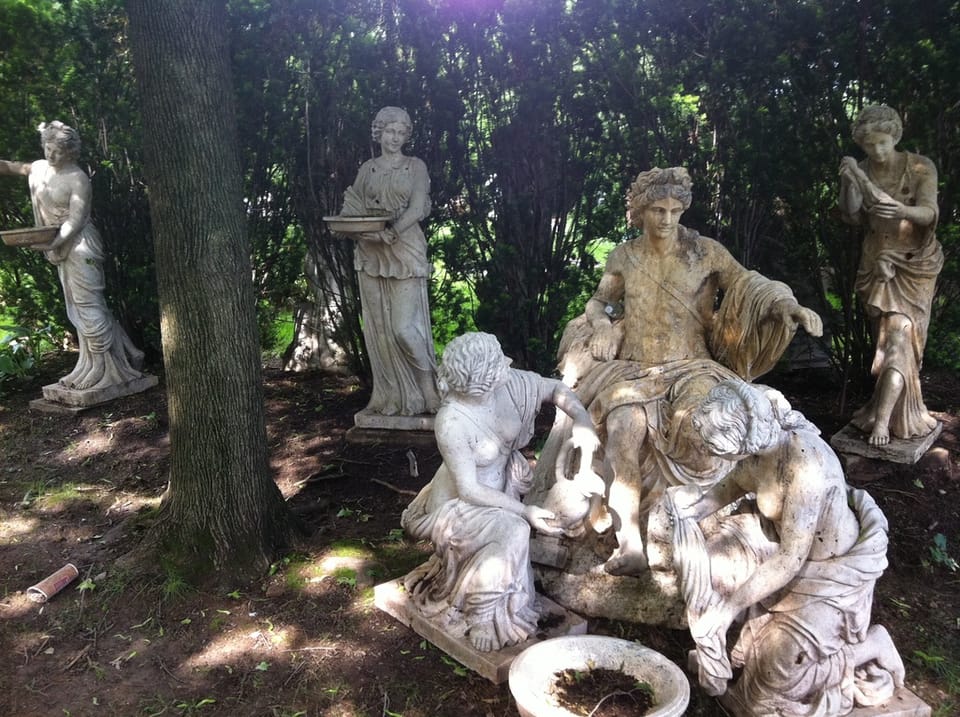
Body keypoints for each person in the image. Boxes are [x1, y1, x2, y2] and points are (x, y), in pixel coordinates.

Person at [536, 167, 822, 576]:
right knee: (621, 430)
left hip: (693, 368)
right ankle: (630, 544)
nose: (667, 219)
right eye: (658, 210)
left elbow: (749, 285)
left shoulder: (705, 252)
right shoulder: (624, 256)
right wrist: (602, 326)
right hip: (634, 370)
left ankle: (695, 520)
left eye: (675, 210)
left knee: (703, 427)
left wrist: (786, 307)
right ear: (641, 211)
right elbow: (599, 302)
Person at [661, 379, 905, 716]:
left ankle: (870, 646)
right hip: (781, 551)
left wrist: (728, 609)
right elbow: (728, 488)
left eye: (718, 449)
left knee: (774, 673)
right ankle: (733, 647)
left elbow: (791, 559)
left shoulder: (805, 467)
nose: (714, 456)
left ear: (742, 437)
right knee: (715, 564)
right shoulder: (758, 452)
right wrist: (691, 509)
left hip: (831, 577)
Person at [400, 332, 601, 652]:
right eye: (497, 365)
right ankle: (482, 613)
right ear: (480, 381)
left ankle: (501, 603)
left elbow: (555, 389)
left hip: (499, 489)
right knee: (516, 529)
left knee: (518, 526)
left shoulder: (507, 383)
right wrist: (523, 510)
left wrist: (582, 419)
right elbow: (468, 489)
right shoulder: (451, 421)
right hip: (459, 504)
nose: (506, 367)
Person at [0, 121, 145, 391]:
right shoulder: (40, 169)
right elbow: (11, 167)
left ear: (70, 152)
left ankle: (106, 370)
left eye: (58, 151)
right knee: (78, 306)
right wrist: (51, 243)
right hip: (58, 242)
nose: (51, 155)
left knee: (88, 304)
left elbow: (76, 220)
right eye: (48, 148)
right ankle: (96, 362)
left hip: (79, 244)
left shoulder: (77, 178)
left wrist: (53, 243)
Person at [839, 104, 943, 446]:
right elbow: (851, 215)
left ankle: (883, 423)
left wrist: (902, 210)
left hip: (913, 263)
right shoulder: (861, 169)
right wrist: (849, 180)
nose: (878, 151)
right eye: (870, 145)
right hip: (876, 264)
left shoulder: (920, 167)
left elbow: (929, 213)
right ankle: (895, 412)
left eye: (883, 143)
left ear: (895, 136)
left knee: (901, 340)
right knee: (884, 346)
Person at [339, 106, 441, 416]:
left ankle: (427, 390)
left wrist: (392, 232)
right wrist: (364, 232)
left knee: (402, 328)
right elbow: (352, 210)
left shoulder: (415, 166)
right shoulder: (368, 169)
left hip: (405, 248)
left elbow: (418, 207)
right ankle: (389, 397)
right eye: (389, 131)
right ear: (379, 132)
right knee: (379, 329)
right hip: (371, 252)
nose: (395, 138)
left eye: (400, 133)